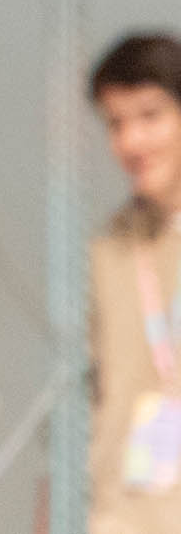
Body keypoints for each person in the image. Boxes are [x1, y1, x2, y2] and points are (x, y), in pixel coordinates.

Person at [88, 31, 181, 534]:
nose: (131, 142)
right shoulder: (112, 249)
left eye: (150, 117)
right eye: (116, 123)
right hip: (126, 516)